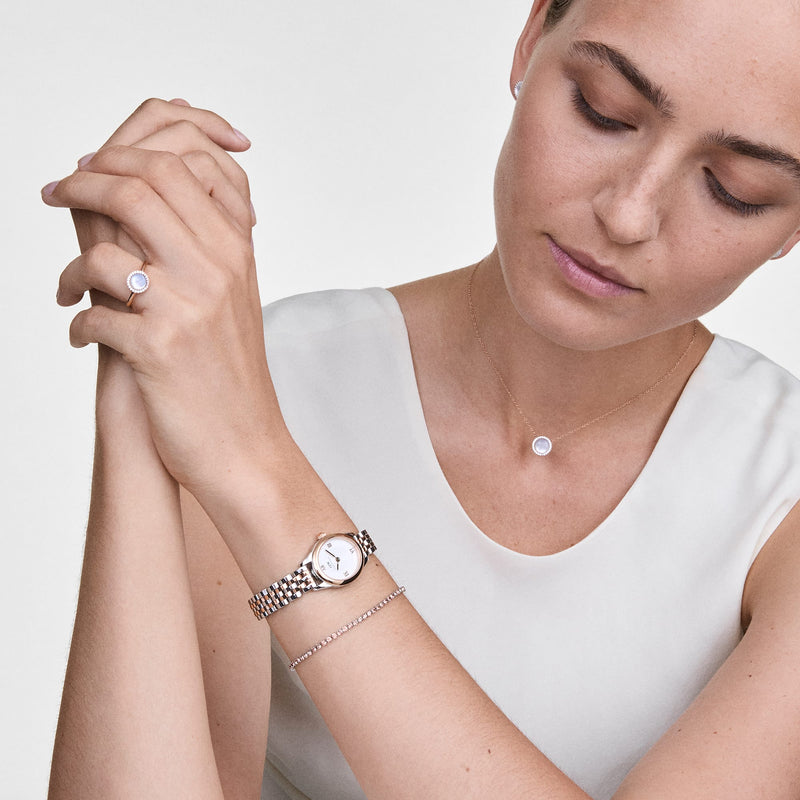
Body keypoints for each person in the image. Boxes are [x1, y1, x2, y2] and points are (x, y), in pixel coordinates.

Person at [43, 0, 800, 797]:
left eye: (735, 189)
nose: (628, 213)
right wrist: (139, 358)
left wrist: (254, 467)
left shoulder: (779, 491)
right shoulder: (254, 376)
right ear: (530, 38)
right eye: (602, 111)